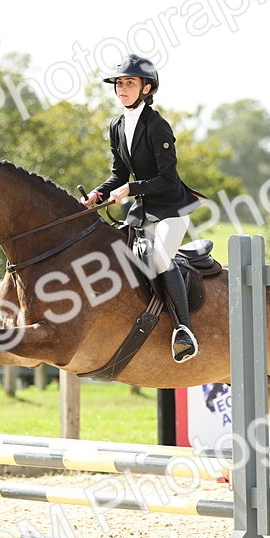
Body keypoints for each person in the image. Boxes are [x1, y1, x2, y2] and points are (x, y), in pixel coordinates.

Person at [82, 54, 204, 363]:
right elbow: (118, 174)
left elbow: (166, 178)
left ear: (146, 88)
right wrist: (99, 192)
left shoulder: (157, 125)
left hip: (171, 208)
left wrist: (131, 189)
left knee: (160, 256)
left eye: (129, 83)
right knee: (121, 254)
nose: (122, 89)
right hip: (142, 210)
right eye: (119, 84)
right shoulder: (117, 125)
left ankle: (184, 330)